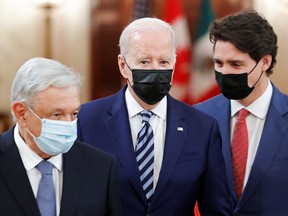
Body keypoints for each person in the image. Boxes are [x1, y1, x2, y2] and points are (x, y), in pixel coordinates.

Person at [77, 17, 231, 215]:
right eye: (144, 61)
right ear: (123, 65)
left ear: (175, 63)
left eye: (163, 61)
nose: (155, 70)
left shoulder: (202, 126)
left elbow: (216, 209)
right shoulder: (87, 121)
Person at [194, 9, 288, 215]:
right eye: (218, 63)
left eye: (236, 64)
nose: (224, 72)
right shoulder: (198, 117)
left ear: (265, 62)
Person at [0, 57, 120, 215]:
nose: (68, 123)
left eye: (74, 114)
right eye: (56, 115)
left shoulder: (101, 166)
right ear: (21, 113)